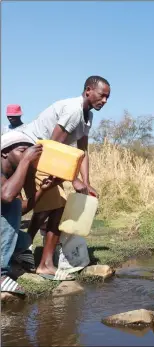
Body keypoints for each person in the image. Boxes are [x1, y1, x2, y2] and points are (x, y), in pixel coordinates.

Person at [17, 75, 110, 279]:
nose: (104, 101)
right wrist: (73, 179)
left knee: (45, 208)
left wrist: (86, 182)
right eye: (102, 96)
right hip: (33, 154)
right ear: (88, 90)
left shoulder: (88, 116)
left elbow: (82, 151)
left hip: (43, 156)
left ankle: (22, 250)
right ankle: (45, 264)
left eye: (107, 98)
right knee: (57, 207)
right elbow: (53, 148)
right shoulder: (73, 110)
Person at [1, 132, 65, 295]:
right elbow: (7, 197)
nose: (28, 155)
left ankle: (17, 253)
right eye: (22, 151)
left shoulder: (11, 174)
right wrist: (26, 161)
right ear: (4, 152)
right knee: (11, 204)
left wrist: (43, 190)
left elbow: (21, 209)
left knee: (25, 240)